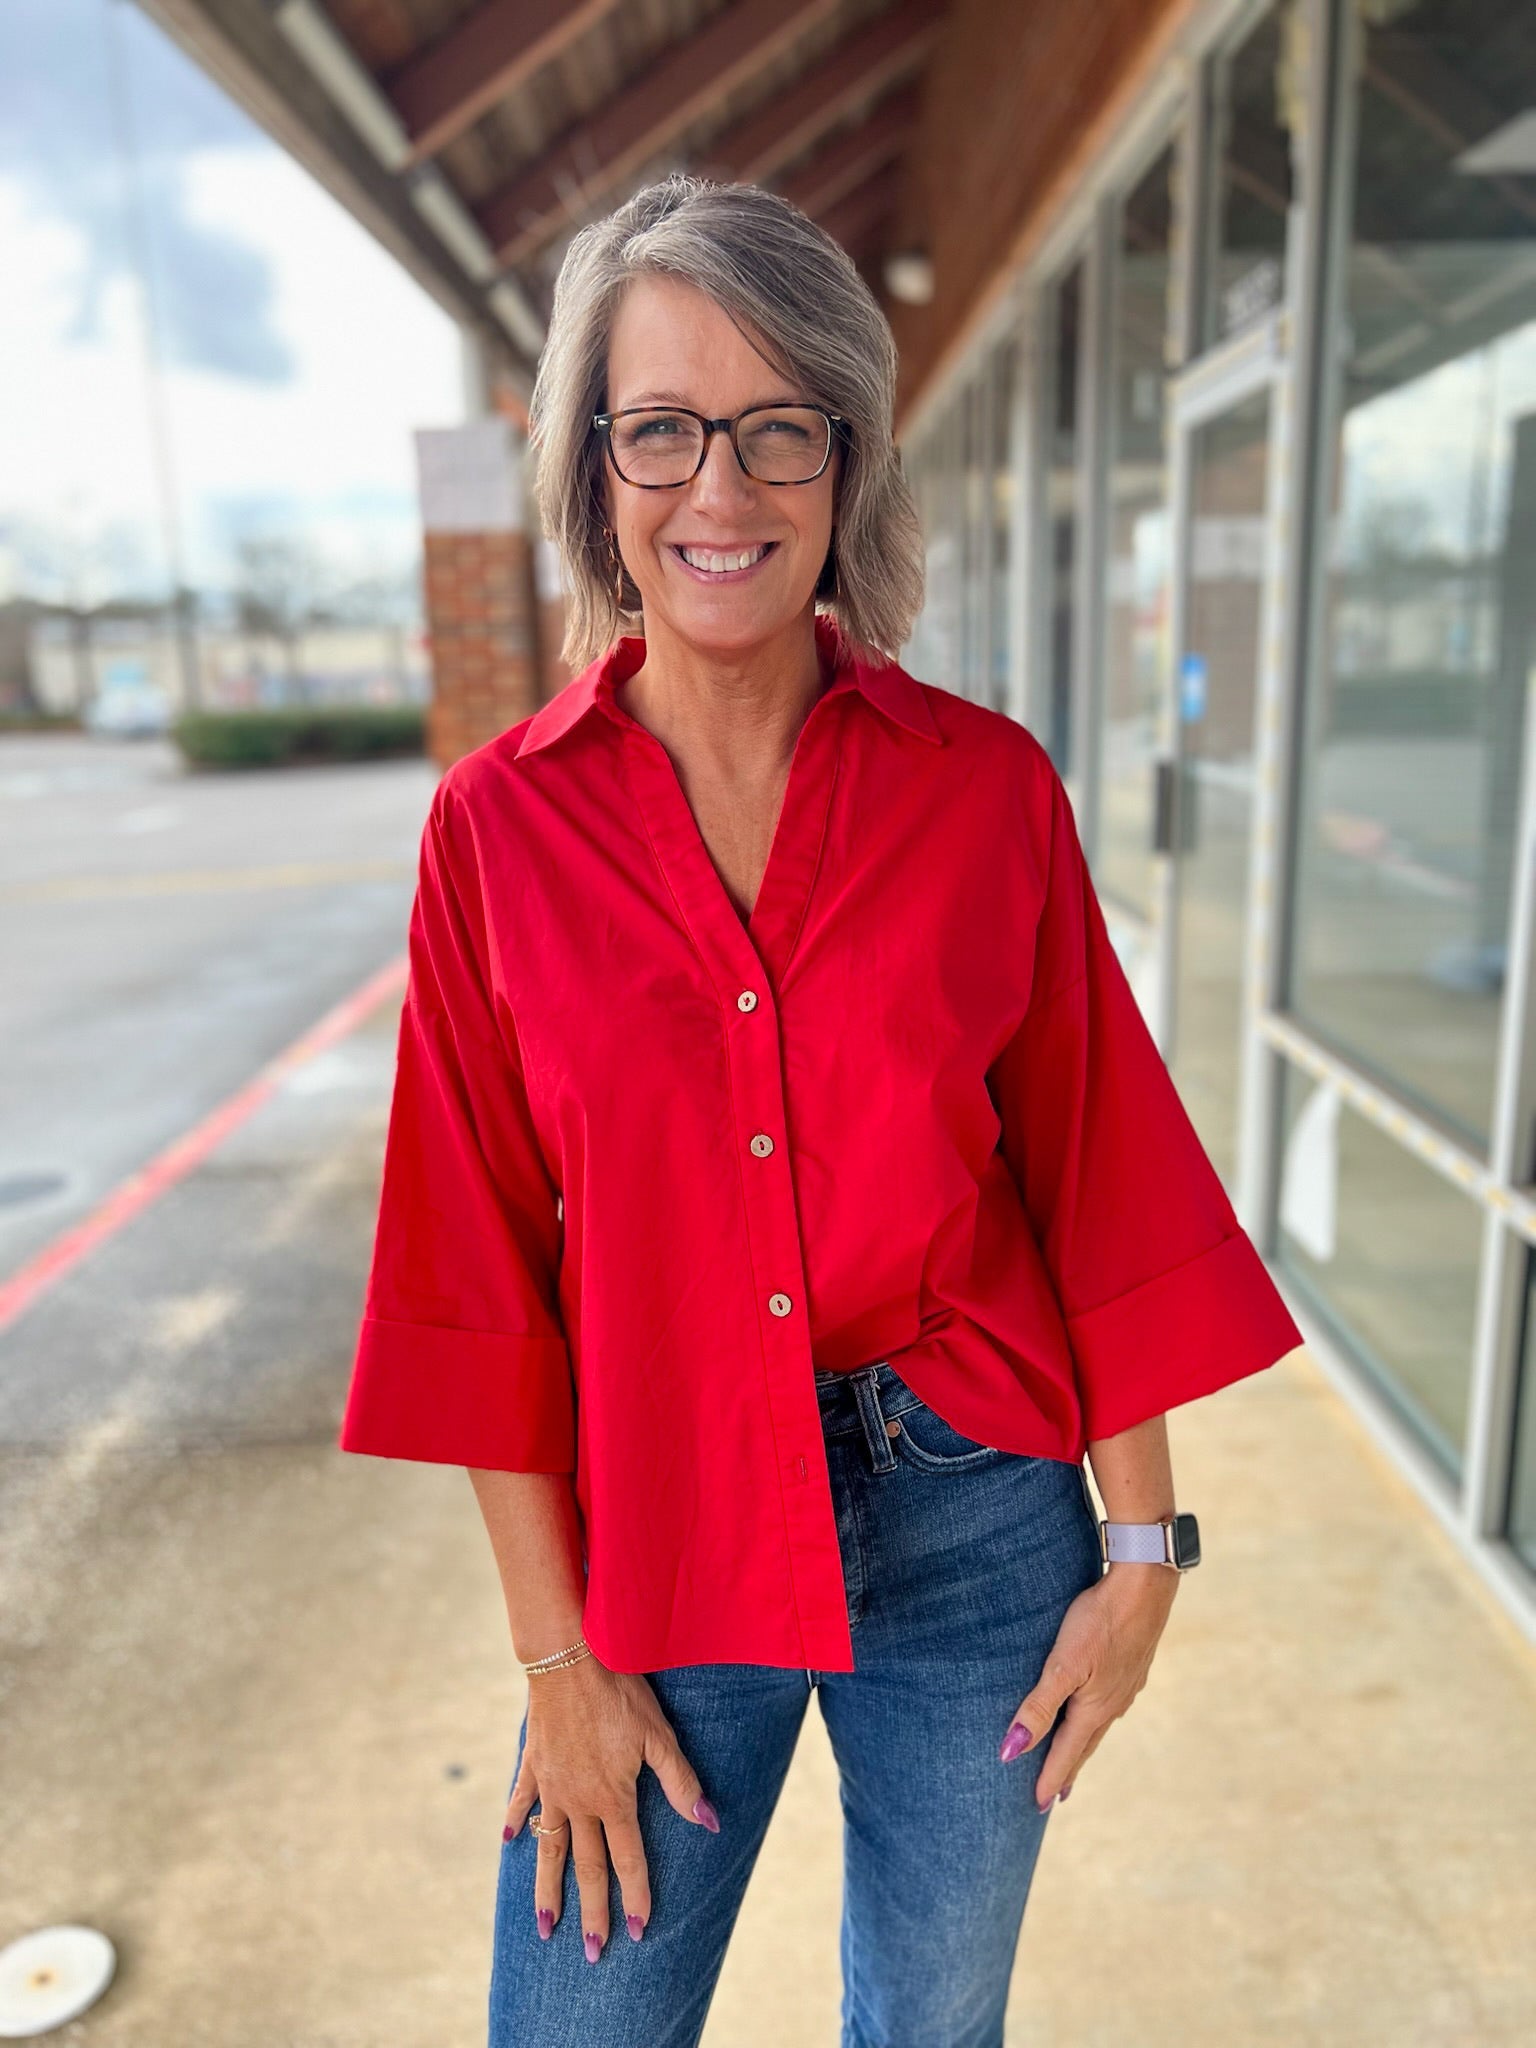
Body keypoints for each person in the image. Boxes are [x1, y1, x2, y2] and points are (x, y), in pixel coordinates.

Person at [336, 173, 1304, 2048]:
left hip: (977, 1513)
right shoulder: (497, 836)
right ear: (594, 473)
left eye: (783, 427)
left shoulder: (986, 792)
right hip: (667, 1517)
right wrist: (557, 1665)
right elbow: (475, 1279)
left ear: (847, 467)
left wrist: (1143, 1555)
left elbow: (1096, 1177)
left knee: (933, 2023)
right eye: (664, 429)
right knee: (579, 2021)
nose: (723, 487)